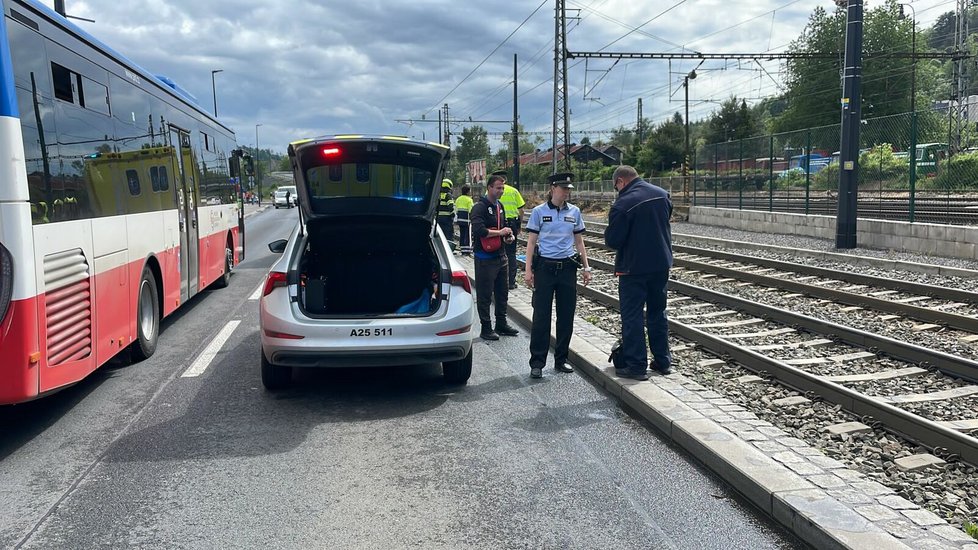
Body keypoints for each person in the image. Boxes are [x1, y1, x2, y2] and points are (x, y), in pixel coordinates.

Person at [604, 165, 674, 381]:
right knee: (657, 312)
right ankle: (663, 362)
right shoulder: (662, 195)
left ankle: (636, 365)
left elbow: (613, 240)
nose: (617, 190)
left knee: (632, 316)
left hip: (632, 268)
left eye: (616, 186)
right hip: (661, 264)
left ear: (621, 181)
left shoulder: (623, 204)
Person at [524, 172, 592, 379]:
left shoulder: (575, 212)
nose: (567, 192)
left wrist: (586, 267)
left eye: (569, 189)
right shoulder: (538, 211)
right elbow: (531, 242)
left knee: (566, 316)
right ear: (553, 188)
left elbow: (579, 241)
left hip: (567, 269)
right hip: (545, 268)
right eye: (564, 189)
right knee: (541, 316)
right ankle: (537, 362)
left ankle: (561, 359)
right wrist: (528, 270)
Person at [470, 174, 519, 341]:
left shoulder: (500, 206)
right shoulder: (479, 207)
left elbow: (502, 228)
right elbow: (478, 230)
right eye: (498, 188)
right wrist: (500, 232)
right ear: (489, 187)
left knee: (502, 292)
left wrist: (507, 237)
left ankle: (501, 323)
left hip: (501, 256)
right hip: (485, 258)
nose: (501, 191)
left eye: (503, 188)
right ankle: (486, 327)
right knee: (484, 294)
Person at [494, 170, 525, 289]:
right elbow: (521, 209)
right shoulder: (514, 191)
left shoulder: (492, 189)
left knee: (498, 251)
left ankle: (499, 281)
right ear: (506, 179)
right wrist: (519, 225)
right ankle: (511, 282)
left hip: (497, 224)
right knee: (511, 253)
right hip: (511, 224)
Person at [455, 184, 474, 255]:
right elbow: (471, 210)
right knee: (467, 234)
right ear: (467, 192)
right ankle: (467, 250)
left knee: (462, 234)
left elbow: (456, 209)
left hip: (460, 220)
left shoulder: (458, 199)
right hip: (467, 220)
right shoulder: (469, 200)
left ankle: (462, 249)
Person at [437, 178, 456, 246]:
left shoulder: (438, 195)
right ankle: (449, 247)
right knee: (448, 233)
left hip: (438, 218)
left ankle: (441, 246)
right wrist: (453, 214)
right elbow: (450, 206)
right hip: (447, 218)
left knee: (440, 233)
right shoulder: (448, 195)